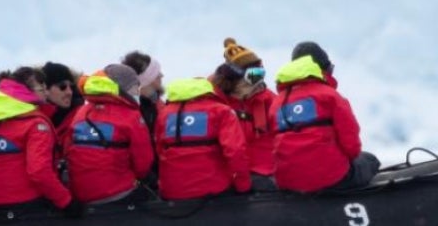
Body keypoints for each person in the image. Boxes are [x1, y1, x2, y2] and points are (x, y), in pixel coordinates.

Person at [272, 43, 380, 193]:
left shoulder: (275, 103)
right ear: (322, 69)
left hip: (288, 181)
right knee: (369, 160)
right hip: (330, 178)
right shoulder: (330, 96)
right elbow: (351, 145)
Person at [0, 67, 80, 216]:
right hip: (27, 204)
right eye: (41, 88)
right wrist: (66, 201)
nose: (46, 93)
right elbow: (39, 171)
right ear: (26, 91)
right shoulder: (36, 124)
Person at [63, 64, 155, 205]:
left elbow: (68, 149)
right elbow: (143, 163)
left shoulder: (81, 112)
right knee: (153, 198)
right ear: (124, 89)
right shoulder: (131, 116)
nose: (138, 91)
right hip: (117, 193)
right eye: (136, 86)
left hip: (81, 194)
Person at [154, 77, 251, 200]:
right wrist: (243, 186)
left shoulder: (164, 115)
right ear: (207, 92)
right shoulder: (221, 111)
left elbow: (159, 150)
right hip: (214, 189)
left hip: (173, 191)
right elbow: (236, 151)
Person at [215, 37, 278, 191]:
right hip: (231, 176)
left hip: (268, 173)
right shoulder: (216, 103)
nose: (259, 81)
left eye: (261, 73)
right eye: (254, 75)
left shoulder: (269, 99)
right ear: (235, 78)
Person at [40, 61, 84, 137]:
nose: (69, 92)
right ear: (45, 89)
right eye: (62, 87)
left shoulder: (83, 118)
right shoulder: (33, 121)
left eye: (72, 87)